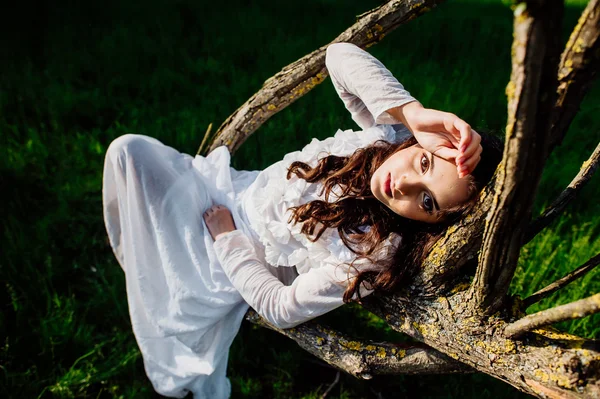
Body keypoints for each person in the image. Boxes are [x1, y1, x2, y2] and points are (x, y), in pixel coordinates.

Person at [102, 42, 502, 398]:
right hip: (229, 189)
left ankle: (149, 263)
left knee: (164, 281)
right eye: (425, 162)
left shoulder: (373, 250)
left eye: (427, 201)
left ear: (430, 226)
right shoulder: (389, 139)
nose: (405, 186)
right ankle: (141, 255)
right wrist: (413, 114)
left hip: (227, 249)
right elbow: (338, 55)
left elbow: (280, 306)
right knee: (128, 153)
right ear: (418, 143)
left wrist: (227, 239)